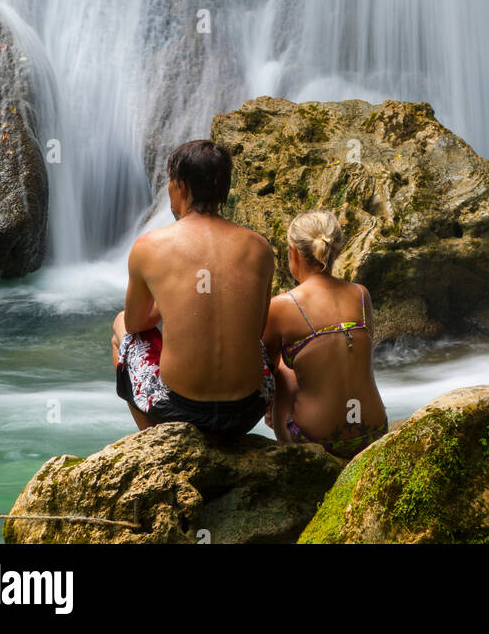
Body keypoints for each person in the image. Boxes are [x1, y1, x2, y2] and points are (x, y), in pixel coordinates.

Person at [112, 139, 275, 437]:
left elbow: (136, 323)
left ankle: (155, 442)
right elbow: (259, 329)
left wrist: (169, 301)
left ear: (182, 186)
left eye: (170, 182)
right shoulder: (260, 248)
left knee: (121, 324)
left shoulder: (150, 246)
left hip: (179, 410)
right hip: (247, 409)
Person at [262, 209, 388, 460]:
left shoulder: (281, 305)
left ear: (293, 252)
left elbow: (263, 369)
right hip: (374, 432)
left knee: (282, 371)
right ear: (337, 250)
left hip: (316, 441)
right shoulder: (360, 294)